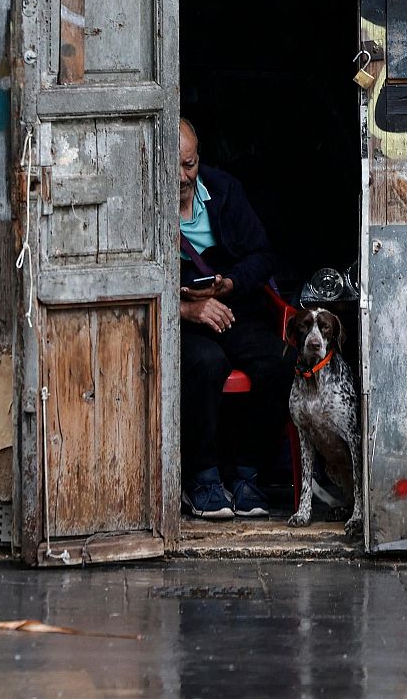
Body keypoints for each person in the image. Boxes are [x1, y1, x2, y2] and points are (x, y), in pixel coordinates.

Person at [177, 118, 291, 520]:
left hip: (230, 305)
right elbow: (130, 275)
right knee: (206, 362)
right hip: (181, 319)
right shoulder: (145, 198)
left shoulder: (224, 190)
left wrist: (230, 284)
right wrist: (188, 309)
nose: (183, 176)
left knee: (278, 359)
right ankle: (202, 479)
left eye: (189, 165)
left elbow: (262, 256)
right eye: (173, 166)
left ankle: (246, 475)